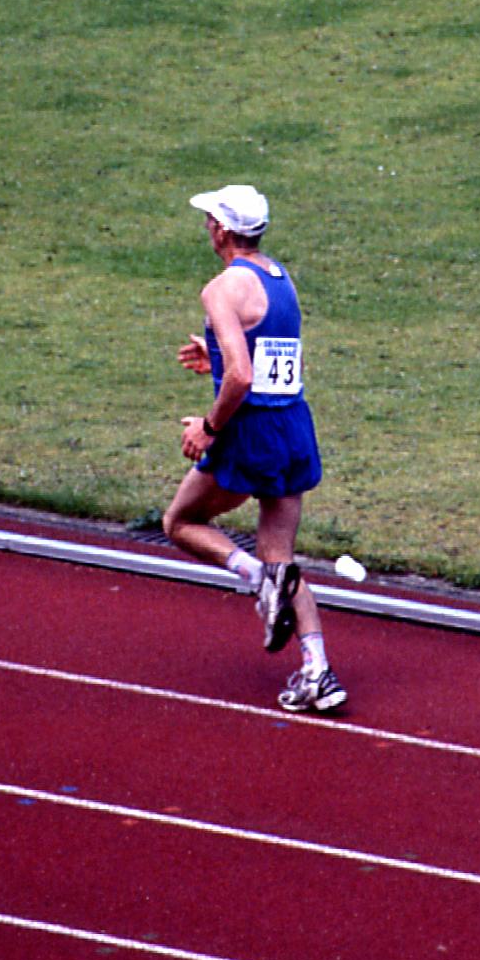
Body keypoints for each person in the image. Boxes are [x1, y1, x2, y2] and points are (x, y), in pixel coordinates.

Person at [160, 184, 346, 714]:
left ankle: (254, 579)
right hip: (292, 427)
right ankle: (318, 671)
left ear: (222, 229)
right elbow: (280, 362)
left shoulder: (221, 288)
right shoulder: (280, 278)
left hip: (250, 433)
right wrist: (214, 352)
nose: (206, 228)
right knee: (281, 555)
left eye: (209, 220)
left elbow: (242, 376)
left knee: (180, 522)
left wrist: (209, 428)